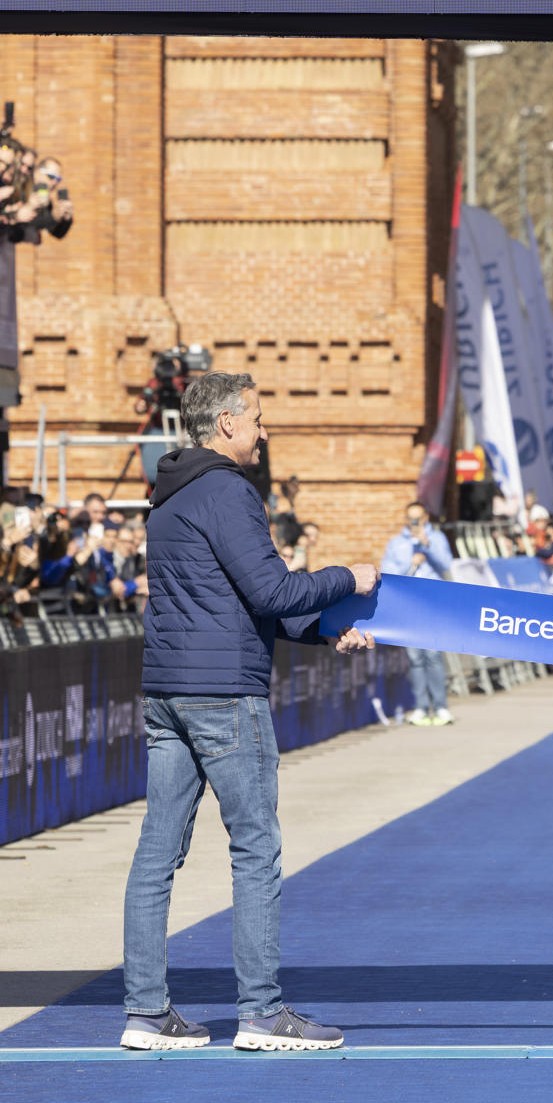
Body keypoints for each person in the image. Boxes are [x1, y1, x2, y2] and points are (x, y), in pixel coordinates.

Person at [120, 372, 379, 1053]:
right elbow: (271, 589)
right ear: (228, 423)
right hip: (225, 695)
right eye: (259, 420)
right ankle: (262, 1013)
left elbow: (238, 602)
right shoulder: (229, 493)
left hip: (167, 691)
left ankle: (145, 1013)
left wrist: (325, 631)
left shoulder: (167, 497)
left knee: (156, 853)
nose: (266, 433)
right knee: (256, 848)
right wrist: (350, 579)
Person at [381, 501, 456, 726]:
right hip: (409, 605)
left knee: (433, 655)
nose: (415, 522)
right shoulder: (396, 544)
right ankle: (421, 707)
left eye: (419, 518)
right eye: (411, 518)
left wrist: (427, 544)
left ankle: (441, 706)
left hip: (433, 603)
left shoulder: (438, 538)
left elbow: (446, 564)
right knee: (415, 658)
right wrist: (410, 562)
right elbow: (388, 572)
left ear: (426, 518)